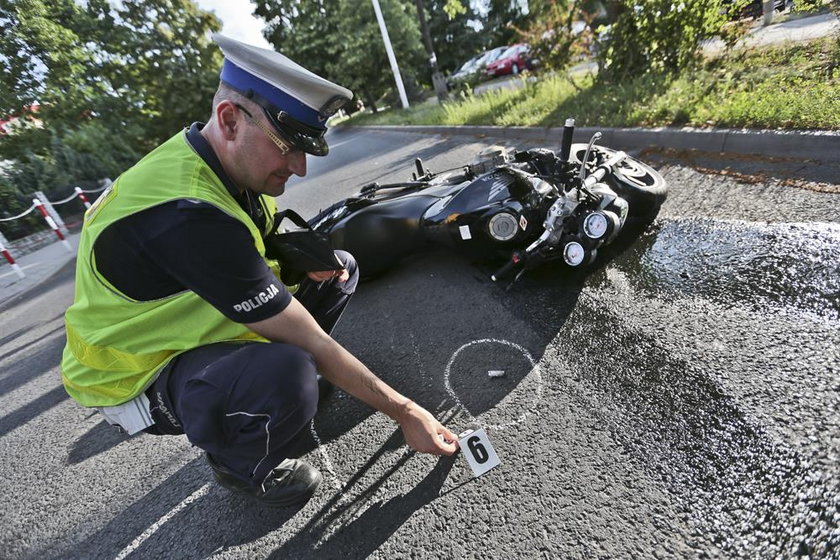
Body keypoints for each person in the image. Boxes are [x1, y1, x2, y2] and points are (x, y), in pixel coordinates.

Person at [60, 34, 458, 507]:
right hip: (136, 373)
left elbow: (264, 242)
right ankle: (240, 463)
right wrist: (406, 412)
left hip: (191, 327)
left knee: (340, 271)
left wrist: (309, 260)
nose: (300, 167)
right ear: (230, 120)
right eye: (289, 144)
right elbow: (308, 337)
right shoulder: (184, 212)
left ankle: (266, 391)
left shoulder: (221, 165)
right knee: (290, 371)